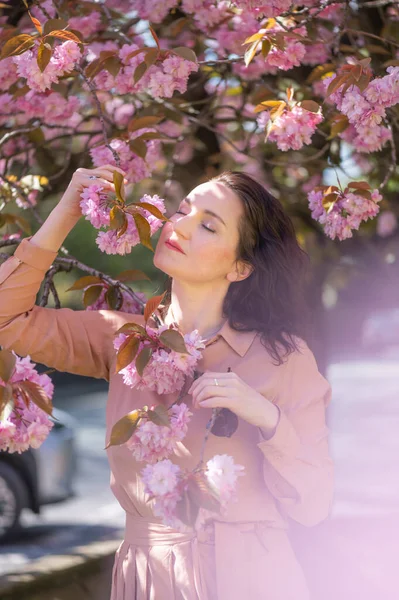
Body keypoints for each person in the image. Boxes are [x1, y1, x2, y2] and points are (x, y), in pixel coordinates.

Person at [0, 165, 334, 599]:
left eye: (208, 226)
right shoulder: (120, 338)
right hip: (149, 577)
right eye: (181, 211)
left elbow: (314, 506)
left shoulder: (283, 359)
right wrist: (67, 210)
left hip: (251, 578)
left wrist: (267, 418)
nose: (181, 226)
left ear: (239, 267)